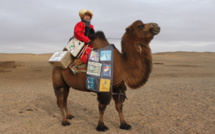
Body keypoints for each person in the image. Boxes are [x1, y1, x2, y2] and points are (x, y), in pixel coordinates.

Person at [70, 9, 95, 74]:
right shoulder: (79, 24)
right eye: (86, 16)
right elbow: (77, 33)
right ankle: (74, 65)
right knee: (88, 53)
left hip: (89, 43)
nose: (87, 17)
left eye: (89, 16)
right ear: (82, 17)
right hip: (80, 42)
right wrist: (87, 40)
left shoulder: (91, 26)